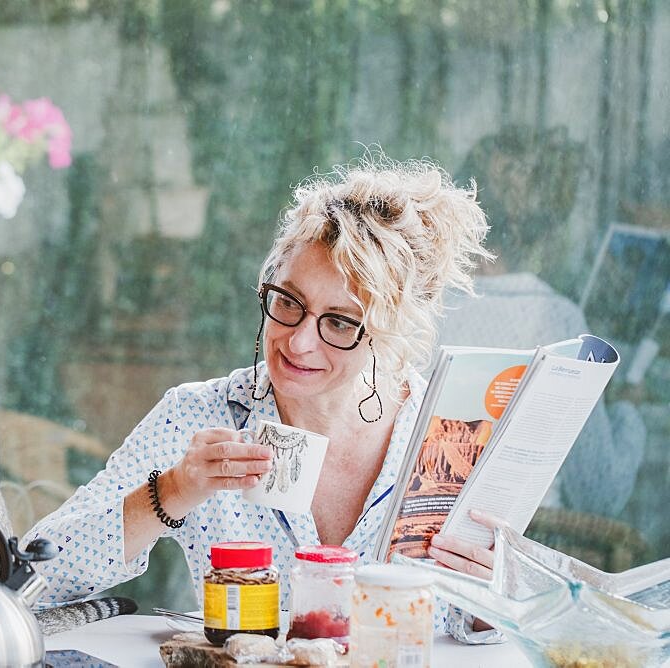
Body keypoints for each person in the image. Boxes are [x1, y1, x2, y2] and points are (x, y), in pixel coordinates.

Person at [25, 155, 502, 642]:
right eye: (289, 303)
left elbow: (492, 627)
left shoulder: (449, 439)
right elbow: (37, 577)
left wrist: (491, 603)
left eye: (339, 322)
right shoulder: (199, 416)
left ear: (389, 332)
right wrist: (171, 492)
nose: (298, 342)